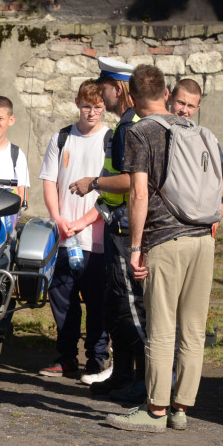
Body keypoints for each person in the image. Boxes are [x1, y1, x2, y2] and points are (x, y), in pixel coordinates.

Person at [105, 64, 223, 433]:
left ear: (134, 98)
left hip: (165, 240)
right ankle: (181, 409)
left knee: (160, 327)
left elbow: (139, 193)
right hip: (203, 240)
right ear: (166, 94)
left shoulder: (141, 132)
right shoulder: (199, 130)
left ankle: (154, 411)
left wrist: (136, 247)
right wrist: (212, 219)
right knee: (192, 329)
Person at [68, 57, 147, 396]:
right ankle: (123, 375)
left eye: (104, 89)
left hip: (129, 231)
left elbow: (132, 182)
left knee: (131, 307)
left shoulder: (131, 127)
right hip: (118, 227)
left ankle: (145, 381)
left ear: (118, 89)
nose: (101, 96)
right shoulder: (126, 125)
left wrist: (94, 182)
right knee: (117, 306)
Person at [37, 80, 109, 378]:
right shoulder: (62, 138)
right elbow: (49, 181)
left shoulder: (111, 139)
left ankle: (97, 358)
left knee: (98, 303)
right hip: (64, 237)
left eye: (98, 107)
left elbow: (113, 192)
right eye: (87, 106)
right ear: (77, 103)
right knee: (62, 298)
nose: (92, 113)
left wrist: (83, 220)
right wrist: (58, 219)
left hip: (97, 238)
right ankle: (66, 357)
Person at [169, 79, 223, 228]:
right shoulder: (158, 133)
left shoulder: (206, 139)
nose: (184, 110)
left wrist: (215, 221)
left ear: (198, 107)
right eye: (180, 102)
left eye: (191, 106)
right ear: (170, 99)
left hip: (197, 229)